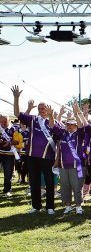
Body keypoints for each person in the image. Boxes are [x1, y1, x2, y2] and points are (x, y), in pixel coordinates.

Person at [12, 85, 57, 214]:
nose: (42, 110)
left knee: (49, 183)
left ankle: (50, 207)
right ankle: (36, 206)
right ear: (37, 110)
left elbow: (56, 132)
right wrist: (16, 98)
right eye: (40, 108)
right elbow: (17, 114)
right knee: (34, 182)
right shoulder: (32, 119)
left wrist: (52, 116)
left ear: (48, 109)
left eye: (44, 108)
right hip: (32, 156)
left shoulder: (53, 122)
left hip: (48, 158)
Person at [51, 104, 86, 214]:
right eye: (68, 125)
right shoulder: (62, 134)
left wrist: (76, 114)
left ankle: (78, 206)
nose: (70, 127)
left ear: (75, 126)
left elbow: (81, 126)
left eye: (72, 125)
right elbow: (53, 125)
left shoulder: (79, 135)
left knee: (77, 187)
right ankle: (68, 206)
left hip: (76, 166)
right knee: (65, 187)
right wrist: (51, 115)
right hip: (63, 165)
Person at [0, 114, 22, 197]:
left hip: (9, 154)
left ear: (9, 120)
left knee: (8, 173)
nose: (3, 123)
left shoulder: (15, 129)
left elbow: (17, 141)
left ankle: (7, 190)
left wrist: (9, 143)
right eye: (1, 121)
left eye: (5, 121)